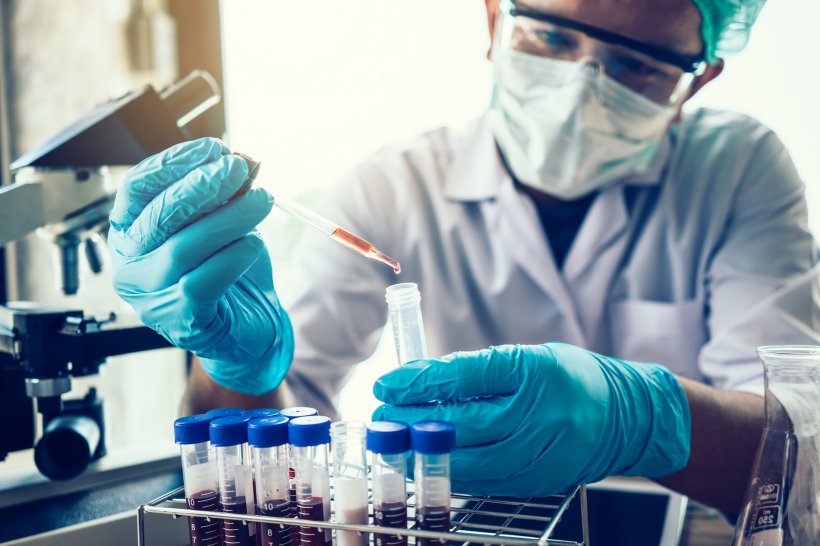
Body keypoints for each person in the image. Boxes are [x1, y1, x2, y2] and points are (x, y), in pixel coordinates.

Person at [108, 0, 816, 515]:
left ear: (699, 79)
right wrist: (236, 369)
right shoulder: (393, 186)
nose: (582, 83)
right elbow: (272, 454)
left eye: (637, 63)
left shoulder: (738, 171)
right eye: (551, 34)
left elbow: (804, 453)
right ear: (492, 23)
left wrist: (647, 420)